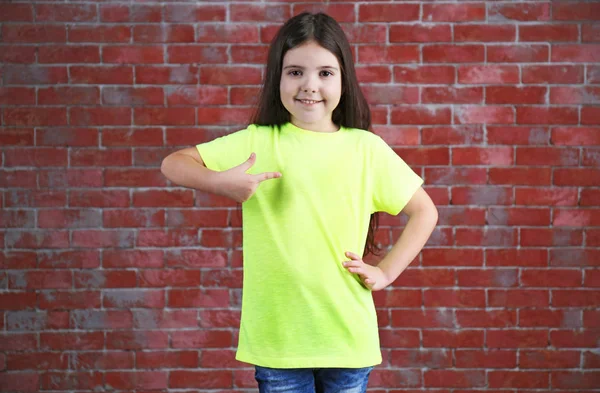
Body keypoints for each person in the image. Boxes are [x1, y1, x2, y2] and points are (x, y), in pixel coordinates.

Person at [160, 11, 438, 393]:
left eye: (325, 73)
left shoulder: (366, 150)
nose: (310, 85)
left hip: (346, 338)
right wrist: (220, 182)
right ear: (278, 77)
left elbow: (424, 211)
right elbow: (173, 163)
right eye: (295, 72)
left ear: (344, 79)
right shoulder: (259, 140)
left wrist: (386, 272)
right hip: (279, 342)